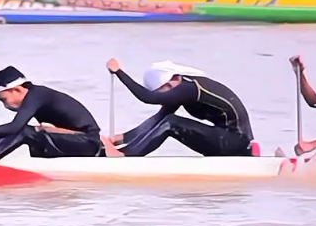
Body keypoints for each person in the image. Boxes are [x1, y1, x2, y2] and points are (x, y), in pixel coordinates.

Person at [0, 42, 102, 181]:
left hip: (88, 143)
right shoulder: (32, 95)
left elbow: (14, 128)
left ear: (17, 89)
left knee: (22, 130)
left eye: (4, 99)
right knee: (22, 131)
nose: (5, 105)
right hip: (66, 139)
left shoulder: (37, 95)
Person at [103, 60, 254, 158]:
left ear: (176, 78)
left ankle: (125, 156)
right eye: (162, 91)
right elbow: (158, 119)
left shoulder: (190, 87)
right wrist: (122, 138)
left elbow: (148, 98)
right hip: (231, 141)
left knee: (172, 123)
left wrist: (119, 72)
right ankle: (248, 153)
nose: (167, 93)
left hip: (234, 141)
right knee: (167, 120)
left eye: (167, 88)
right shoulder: (182, 90)